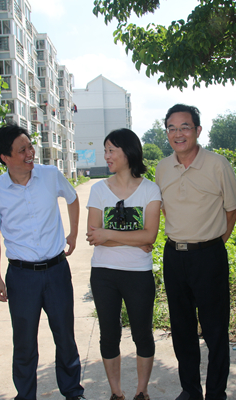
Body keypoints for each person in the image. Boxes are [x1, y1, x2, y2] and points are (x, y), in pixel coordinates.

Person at [0, 125, 85, 400]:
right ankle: (25, 396)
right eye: (22, 150)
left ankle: (73, 392)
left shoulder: (50, 175)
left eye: (30, 146)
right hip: (21, 277)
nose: (30, 153)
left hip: (57, 271)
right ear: (5, 157)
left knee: (65, 336)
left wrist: (73, 233)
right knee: (24, 343)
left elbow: (72, 198)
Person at [155, 104, 236, 400]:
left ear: (198, 130)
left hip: (209, 257)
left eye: (185, 127)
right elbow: (164, 209)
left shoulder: (217, 164)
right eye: (172, 128)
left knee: (215, 330)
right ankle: (190, 390)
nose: (178, 134)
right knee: (182, 329)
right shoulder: (162, 167)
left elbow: (232, 210)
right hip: (174, 257)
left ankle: (216, 393)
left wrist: (211, 244)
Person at [86, 128, 162, 400]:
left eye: (111, 150)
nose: (106, 156)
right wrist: (133, 239)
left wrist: (109, 234)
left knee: (142, 334)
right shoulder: (98, 189)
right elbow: (93, 236)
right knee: (109, 334)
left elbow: (150, 236)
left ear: (128, 152)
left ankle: (142, 391)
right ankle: (116, 393)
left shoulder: (150, 190)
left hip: (138, 273)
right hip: (104, 274)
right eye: (105, 150)